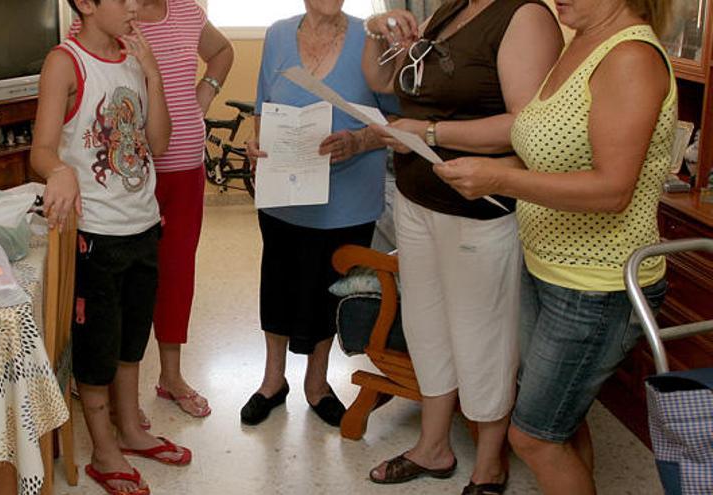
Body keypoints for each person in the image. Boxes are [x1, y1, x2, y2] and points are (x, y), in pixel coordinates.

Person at [434, 1, 675, 493]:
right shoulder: (580, 43)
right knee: (562, 423)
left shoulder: (630, 56)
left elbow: (613, 190)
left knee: (533, 438)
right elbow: (555, 155)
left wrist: (500, 178)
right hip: (548, 267)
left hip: (597, 287)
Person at [361, 1, 562, 492]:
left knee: (482, 338)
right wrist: (375, 31)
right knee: (426, 326)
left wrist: (426, 133)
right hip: (418, 198)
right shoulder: (451, 10)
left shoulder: (525, 16)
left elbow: (524, 126)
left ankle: (490, 463)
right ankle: (434, 447)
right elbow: (385, 82)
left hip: (479, 210)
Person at [31, 1, 189, 493]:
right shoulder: (66, 62)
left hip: (143, 223)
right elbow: (41, 150)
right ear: (88, 4)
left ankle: (132, 430)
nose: (135, 7)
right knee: (98, 347)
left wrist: (154, 78)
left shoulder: (132, 56)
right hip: (94, 234)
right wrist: (59, 171)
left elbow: (157, 146)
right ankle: (104, 450)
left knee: (130, 338)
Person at [70, 0, 234, 419]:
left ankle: (171, 377)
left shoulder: (187, 11)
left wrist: (204, 95)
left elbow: (222, 51)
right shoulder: (104, 15)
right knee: (123, 285)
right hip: (127, 179)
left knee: (176, 273)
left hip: (183, 168)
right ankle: (117, 394)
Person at [242, 0, 399, 428]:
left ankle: (317, 383)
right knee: (276, 284)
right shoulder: (277, 34)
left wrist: (358, 142)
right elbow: (262, 105)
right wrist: (257, 147)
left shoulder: (372, 39)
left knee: (328, 291)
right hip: (282, 194)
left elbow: (397, 120)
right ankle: (272, 382)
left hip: (347, 199)